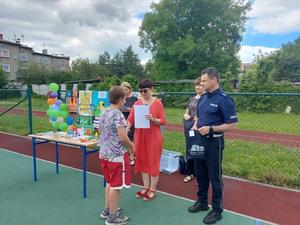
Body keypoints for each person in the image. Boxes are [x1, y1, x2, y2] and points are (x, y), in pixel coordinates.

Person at [187, 67, 238, 224]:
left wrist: (211, 129)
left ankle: (217, 210)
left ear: (214, 80)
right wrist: (196, 125)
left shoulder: (224, 99)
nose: (201, 83)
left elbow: (232, 125)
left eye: (204, 81)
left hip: (214, 143)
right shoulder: (203, 97)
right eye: (201, 81)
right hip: (199, 141)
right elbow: (199, 116)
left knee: (214, 177)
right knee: (200, 173)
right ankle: (202, 202)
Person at [98, 86, 135, 225]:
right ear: (120, 99)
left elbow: (102, 130)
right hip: (116, 155)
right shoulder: (118, 114)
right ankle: (113, 217)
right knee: (116, 185)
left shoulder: (104, 112)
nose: (126, 101)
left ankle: (108, 209)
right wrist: (131, 147)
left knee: (109, 182)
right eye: (125, 98)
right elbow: (123, 137)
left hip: (104, 153)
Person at [127, 79, 166, 201]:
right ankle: (146, 187)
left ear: (151, 89)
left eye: (145, 91)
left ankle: (153, 188)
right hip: (140, 136)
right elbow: (130, 119)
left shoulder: (157, 103)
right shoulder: (137, 104)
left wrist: (153, 119)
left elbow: (163, 121)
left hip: (154, 136)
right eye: (141, 91)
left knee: (153, 161)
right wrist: (126, 128)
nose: (143, 93)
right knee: (142, 161)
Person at [183, 78, 204, 183]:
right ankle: (189, 173)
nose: (197, 87)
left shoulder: (205, 99)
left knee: (198, 151)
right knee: (189, 149)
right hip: (188, 127)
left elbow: (202, 114)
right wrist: (186, 114)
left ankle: (200, 176)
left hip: (199, 128)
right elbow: (187, 110)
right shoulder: (192, 99)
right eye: (196, 85)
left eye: (199, 85)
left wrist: (196, 123)